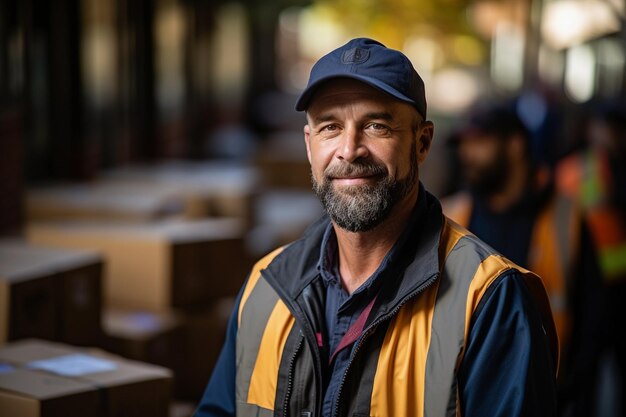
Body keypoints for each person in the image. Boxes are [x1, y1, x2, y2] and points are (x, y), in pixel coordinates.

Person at [194, 38, 558, 417]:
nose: (350, 149)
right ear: (309, 145)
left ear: (422, 142)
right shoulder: (265, 286)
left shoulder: (489, 300)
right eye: (330, 127)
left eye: (376, 126)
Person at [442, 103, 605, 416]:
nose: (467, 153)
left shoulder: (566, 217)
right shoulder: (450, 215)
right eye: (463, 144)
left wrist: (568, 394)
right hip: (467, 398)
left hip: (548, 398)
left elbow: (592, 320)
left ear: (515, 146)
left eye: (479, 142)